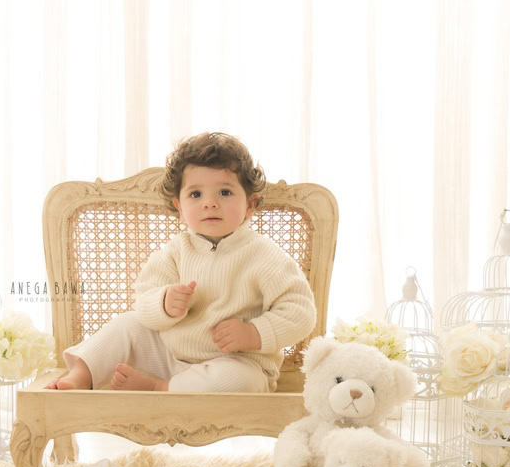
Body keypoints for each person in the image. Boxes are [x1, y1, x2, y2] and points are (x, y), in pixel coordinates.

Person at [45, 131, 317, 393]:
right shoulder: (176, 251)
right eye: (196, 195)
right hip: (169, 356)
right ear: (180, 209)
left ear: (250, 204)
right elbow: (144, 299)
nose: (210, 203)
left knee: (242, 380)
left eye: (224, 192)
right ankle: (81, 375)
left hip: (236, 362)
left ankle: (159, 387)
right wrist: (163, 302)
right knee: (128, 325)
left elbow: (300, 311)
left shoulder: (263, 255)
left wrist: (254, 333)